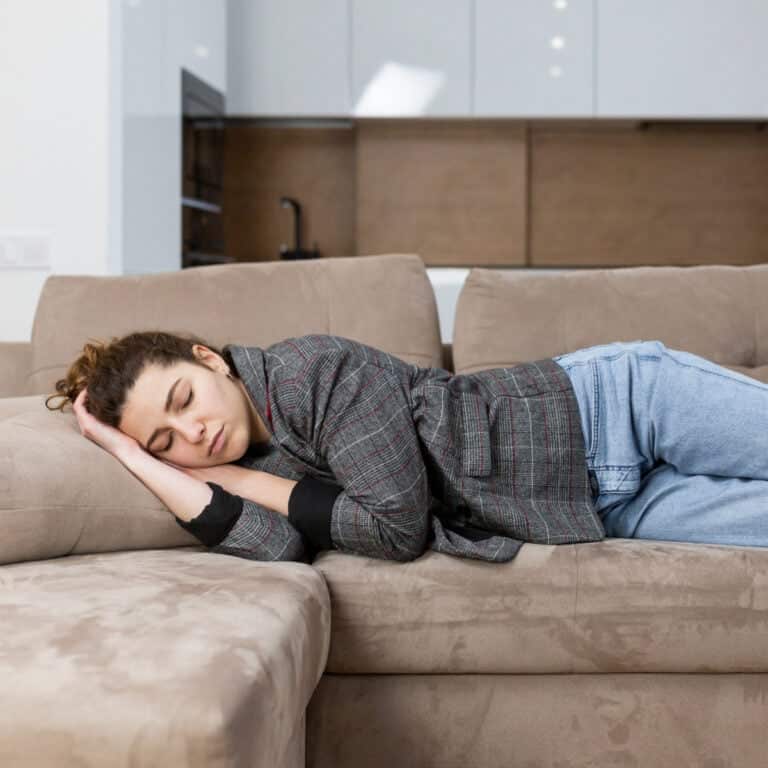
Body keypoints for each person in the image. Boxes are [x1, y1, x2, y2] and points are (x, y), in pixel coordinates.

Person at [45, 331, 768, 564]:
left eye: (183, 400)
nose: (194, 432)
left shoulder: (312, 374)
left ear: (208, 359)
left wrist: (231, 474)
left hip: (620, 406)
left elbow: (395, 530)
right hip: (599, 504)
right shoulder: (241, 463)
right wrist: (139, 460)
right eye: (169, 440)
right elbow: (280, 549)